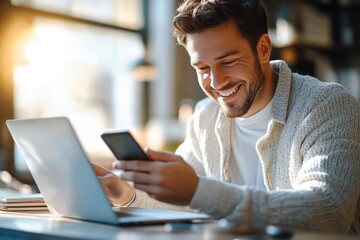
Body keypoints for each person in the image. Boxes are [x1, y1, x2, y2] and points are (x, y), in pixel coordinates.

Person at [94, 0, 360, 234]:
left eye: (228, 61)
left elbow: (329, 211)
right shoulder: (205, 117)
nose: (216, 81)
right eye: (202, 68)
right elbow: (182, 197)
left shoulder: (327, 105)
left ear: (264, 49)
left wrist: (200, 191)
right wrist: (125, 192)